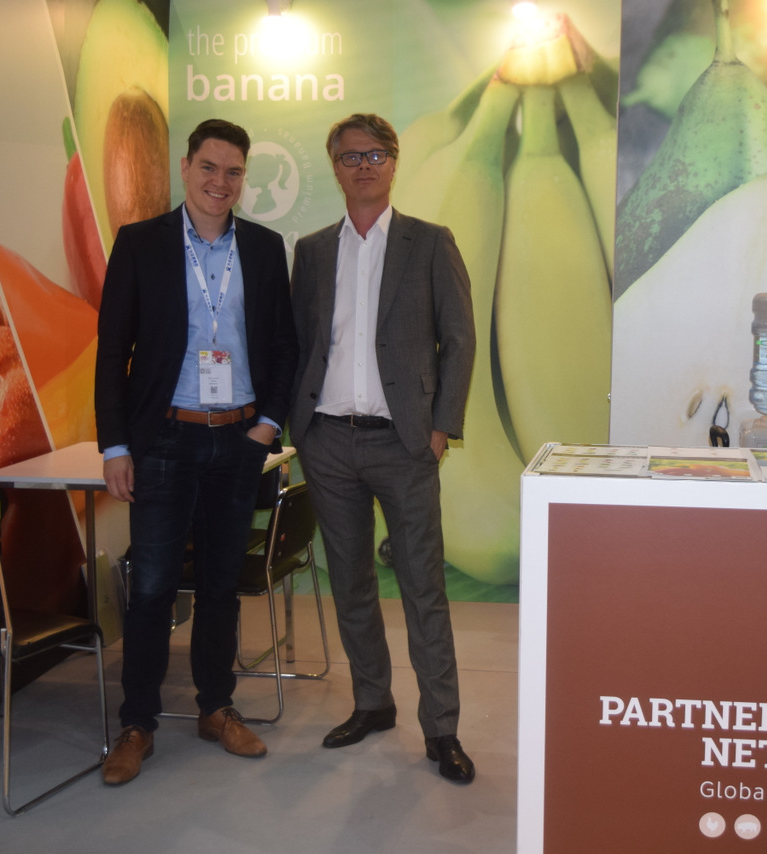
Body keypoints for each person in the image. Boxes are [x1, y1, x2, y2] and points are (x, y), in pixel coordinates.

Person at [94, 118, 298, 785]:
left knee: (219, 585)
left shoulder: (264, 248)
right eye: (209, 167)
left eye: (233, 171)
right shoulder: (140, 243)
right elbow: (111, 352)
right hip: (163, 439)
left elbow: (283, 346)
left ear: (244, 178)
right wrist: (116, 445)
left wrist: (266, 426)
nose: (220, 181)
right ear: (186, 168)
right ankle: (137, 723)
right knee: (153, 586)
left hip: (237, 440)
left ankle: (216, 707)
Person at [288, 113, 477, 783]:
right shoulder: (312, 251)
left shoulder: (430, 242)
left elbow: (459, 339)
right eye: (350, 156)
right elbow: (299, 343)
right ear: (335, 167)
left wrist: (439, 426)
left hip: (404, 443)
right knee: (350, 583)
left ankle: (442, 729)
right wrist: (299, 428)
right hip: (327, 442)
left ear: (394, 163)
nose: (363, 165)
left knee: (424, 587)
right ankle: (372, 703)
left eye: (375, 154)